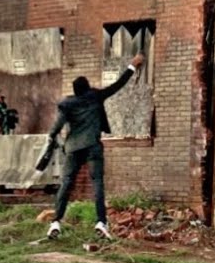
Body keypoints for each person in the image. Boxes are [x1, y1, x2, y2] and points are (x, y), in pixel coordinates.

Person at [45, 53, 143, 239]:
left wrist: (51, 139)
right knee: (97, 183)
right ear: (87, 87)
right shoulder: (96, 97)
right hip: (92, 147)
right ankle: (100, 222)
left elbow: (56, 128)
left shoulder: (67, 104)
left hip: (73, 148)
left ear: (75, 91)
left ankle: (56, 222)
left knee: (66, 183)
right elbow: (117, 86)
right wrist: (132, 66)